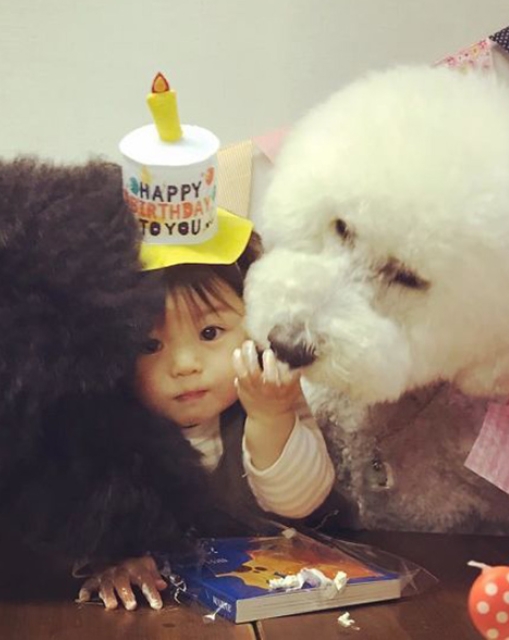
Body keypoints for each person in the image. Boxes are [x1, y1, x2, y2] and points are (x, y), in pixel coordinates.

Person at [78, 233, 336, 611]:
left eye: (210, 333)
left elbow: (301, 502)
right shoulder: (110, 425)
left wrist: (270, 417)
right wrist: (113, 559)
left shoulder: (271, 393)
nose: (185, 365)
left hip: (281, 594)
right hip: (163, 607)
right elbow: (82, 514)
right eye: (150, 346)